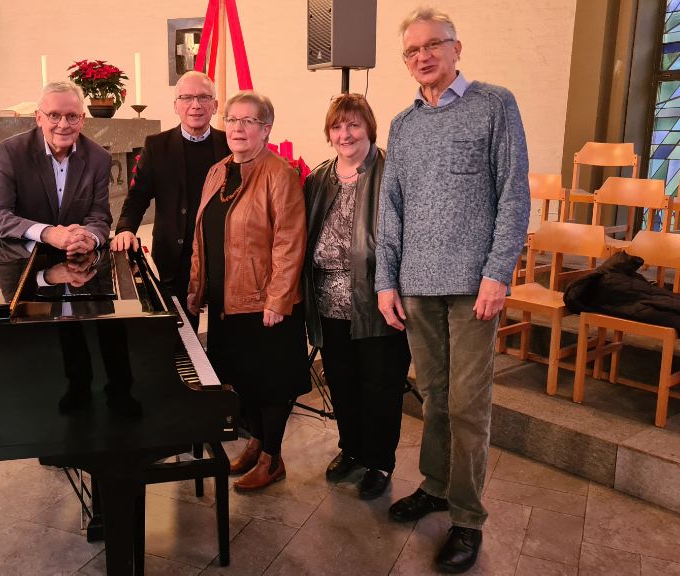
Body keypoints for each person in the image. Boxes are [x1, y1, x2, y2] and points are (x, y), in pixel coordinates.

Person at [376, 7, 530, 574]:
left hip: (472, 287)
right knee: (434, 398)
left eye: (433, 45)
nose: (423, 56)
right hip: (417, 285)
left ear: (456, 48)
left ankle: (467, 518)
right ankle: (436, 486)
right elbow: (390, 211)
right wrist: (385, 280)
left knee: (468, 406)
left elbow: (514, 195)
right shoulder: (403, 124)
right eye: (412, 50)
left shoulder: (495, 104)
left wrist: (498, 272)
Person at [0, 80, 140, 417]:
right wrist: (47, 233)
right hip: (25, 265)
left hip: (79, 261)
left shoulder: (97, 156)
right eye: (54, 115)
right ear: (38, 117)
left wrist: (91, 236)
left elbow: (100, 215)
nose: (63, 124)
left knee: (107, 323)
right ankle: (66, 395)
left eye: (71, 116)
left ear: (82, 119)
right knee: (51, 343)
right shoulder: (13, 151)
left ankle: (116, 396)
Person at [187, 91, 308, 491]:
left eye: (248, 121)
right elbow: (203, 237)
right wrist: (197, 288)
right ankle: (256, 443)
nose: (237, 129)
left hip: (264, 303)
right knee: (241, 378)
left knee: (271, 382)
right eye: (232, 120)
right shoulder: (218, 171)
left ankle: (273, 458)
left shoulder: (280, 173)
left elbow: (289, 241)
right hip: (226, 299)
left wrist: (278, 299)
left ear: (266, 129)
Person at [302, 94, 411, 501]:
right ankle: (351, 450)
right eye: (337, 127)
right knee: (343, 383)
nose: (345, 134)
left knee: (380, 387)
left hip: (378, 300)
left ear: (369, 127)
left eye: (353, 125)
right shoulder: (319, 178)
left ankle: (379, 461)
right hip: (328, 301)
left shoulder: (390, 171)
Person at [111, 72, 230, 330]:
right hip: (176, 259)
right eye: (186, 97)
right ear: (175, 105)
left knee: (225, 338)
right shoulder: (157, 146)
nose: (195, 105)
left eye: (203, 97)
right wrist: (125, 229)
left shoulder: (229, 144)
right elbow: (138, 196)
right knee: (178, 336)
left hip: (222, 258)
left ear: (215, 105)